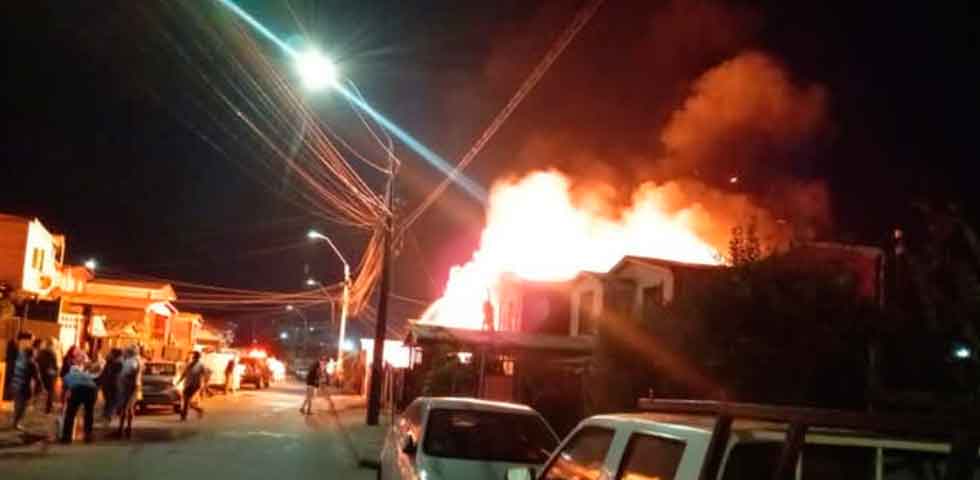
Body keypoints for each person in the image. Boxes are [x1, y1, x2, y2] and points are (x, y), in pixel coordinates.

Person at [60, 363, 98, 443]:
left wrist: (63, 404)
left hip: (77, 390)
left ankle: (66, 436)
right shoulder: (85, 374)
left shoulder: (67, 376)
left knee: (70, 414)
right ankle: (88, 435)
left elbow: (64, 392)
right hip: (91, 391)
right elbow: (94, 385)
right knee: (89, 413)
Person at [10, 346, 43, 431]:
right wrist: (41, 387)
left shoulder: (19, 361)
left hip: (15, 385)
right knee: (22, 406)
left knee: (17, 405)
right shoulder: (32, 364)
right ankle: (16, 422)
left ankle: (15, 421)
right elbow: (37, 378)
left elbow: (12, 372)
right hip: (24, 387)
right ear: (32, 354)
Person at [116, 347, 141, 438]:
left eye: (125, 352)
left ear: (129, 353)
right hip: (132, 386)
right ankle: (127, 427)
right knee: (129, 408)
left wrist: (123, 376)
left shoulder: (132, 361)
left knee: (125, 407)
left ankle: (121, 428)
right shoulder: (136, 360)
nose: (124, 354)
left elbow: (130, 370)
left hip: (129, 387)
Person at [96, 348, 122, 424]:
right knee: (112, 401)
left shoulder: (111, 362)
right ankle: (108, 416)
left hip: (109, 384)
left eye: (110, 352)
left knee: (110, 401)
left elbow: (105, 373)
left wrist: (99, 381)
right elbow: (107, 374)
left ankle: (106, 415)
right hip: (112, 384)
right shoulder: (117, 363)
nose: (108, 353)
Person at [177, 351, 206, 420]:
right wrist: (179, 381)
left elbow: (205, 374)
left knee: (187, 400)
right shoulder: (189, 364)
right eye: (194, 356)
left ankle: (184, 415)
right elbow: (184, 374)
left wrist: (203, 384)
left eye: (196, 356)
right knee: (185, 400)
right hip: (187, 384)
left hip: (195, 385)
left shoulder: (201, 365)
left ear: (198, 357)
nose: (194, 357)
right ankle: (199, 410)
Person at [34, 338, 59, 415]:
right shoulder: (52, 353)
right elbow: (55, 365)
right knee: (50, 392)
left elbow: (37, 361)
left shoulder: (41, 352)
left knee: (39, 389)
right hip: (50, 375)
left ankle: (36, 405)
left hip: (41, 373)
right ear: (52, 345)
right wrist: (55, 371)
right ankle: (47, 409)